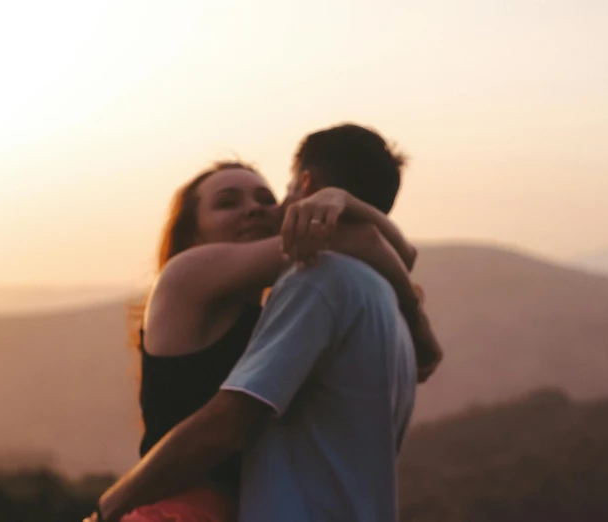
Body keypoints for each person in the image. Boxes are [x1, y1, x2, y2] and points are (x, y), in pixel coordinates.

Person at [90, 123, 442, 521]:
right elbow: (370, 243)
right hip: (179, 511)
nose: (254, 208)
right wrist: (417, 323)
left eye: (264, 198)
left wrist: (341, 201)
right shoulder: (184, 273)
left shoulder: (275, 314)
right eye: (228, 203)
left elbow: (393, 250)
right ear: (192, 234)